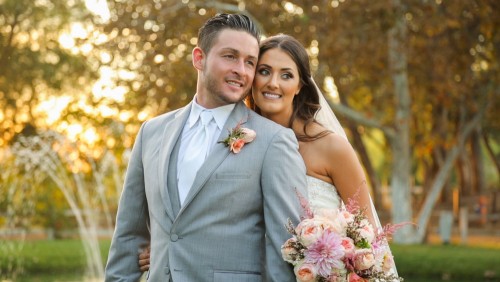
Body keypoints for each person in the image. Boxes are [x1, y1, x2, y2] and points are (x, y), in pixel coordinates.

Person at [105, 14, 308, 281]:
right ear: (199, 58)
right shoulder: (151, 132)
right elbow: (128, 236)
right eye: (230, 56)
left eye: (250, 62)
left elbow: (287, 247)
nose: (242, 70)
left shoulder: (272, 141)